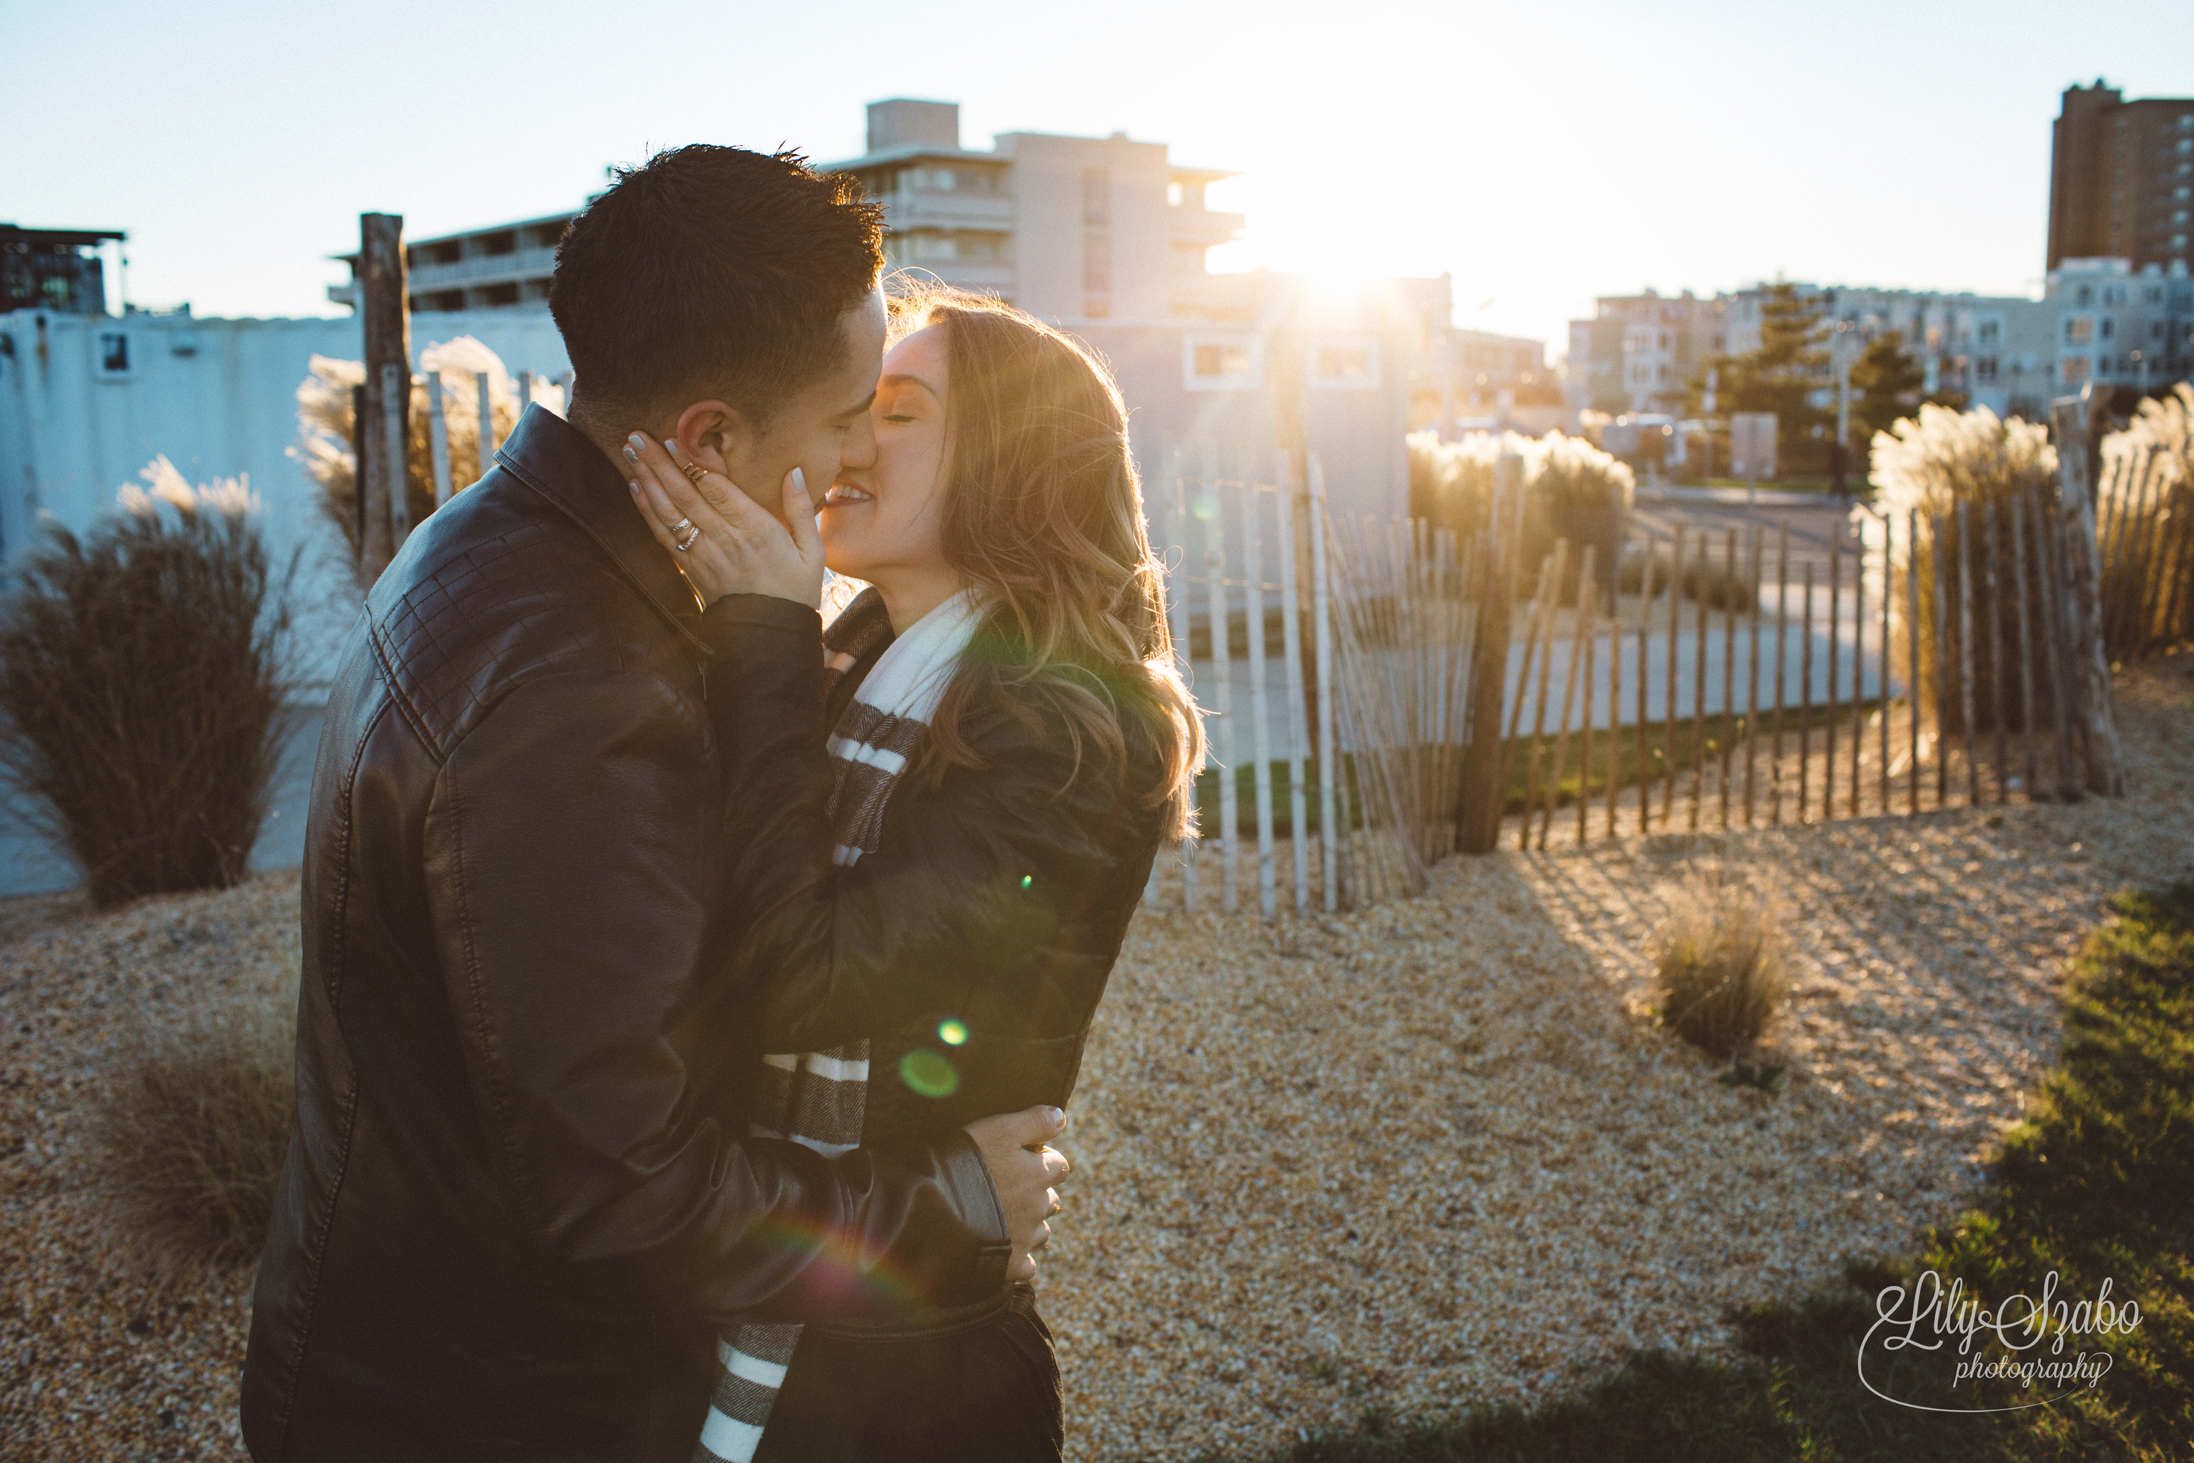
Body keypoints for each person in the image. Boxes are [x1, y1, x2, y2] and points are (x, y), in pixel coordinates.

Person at [241, 149, 1068, 1463]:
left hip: (411, 1360)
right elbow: (628, 1197)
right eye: (850, 411)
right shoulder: (579, 693)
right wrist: (946, 1202)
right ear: (707, 438)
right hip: (492, 1410)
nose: (864, 448)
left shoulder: (490, 537)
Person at [622, 286, 1203, 1462]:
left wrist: (762, 639)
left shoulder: (1071, 727)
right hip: (797, 1302)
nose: (848, 438)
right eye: (857, 407)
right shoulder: (851, 661)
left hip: (908, 1379)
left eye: (897, 411)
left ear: (1013, 459)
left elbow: (801, 972)